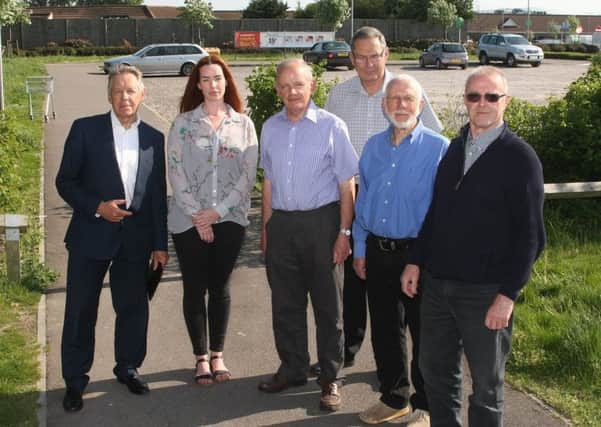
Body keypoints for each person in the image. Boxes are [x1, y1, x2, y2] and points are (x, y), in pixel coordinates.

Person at [401, 66, 545, 427]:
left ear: (505, 102)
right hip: (438, 287)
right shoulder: (454, 148)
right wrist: (416, 262)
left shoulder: (520, 158)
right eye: (474, 96)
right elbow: (436, 213)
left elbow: (531, 237)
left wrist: (508, 295)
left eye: (491, 96)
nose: (482, 103)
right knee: (434, 371)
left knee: (486, 385)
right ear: (465, 100)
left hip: (485, 292)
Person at [316, 26, 443, 376]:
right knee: (355, 279)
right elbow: (326, 148)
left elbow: (433, 141)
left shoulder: (405, 91)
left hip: (400, 203)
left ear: (386, 54)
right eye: (361, 57)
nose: (369, 63)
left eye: (375, 55)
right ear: (352, 58)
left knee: (400, 294)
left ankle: (399, 367)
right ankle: (350, 348)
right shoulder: (339, 96)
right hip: (353, 195)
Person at [56, 64, 168, 412]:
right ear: (109, 95)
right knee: (80, 311)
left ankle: (129, 367)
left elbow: (156, 196)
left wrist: (160, 244)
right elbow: (65, 181)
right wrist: (97, 207)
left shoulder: (154, 137)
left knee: (134, 309)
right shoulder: (85, 130)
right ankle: (75, 381)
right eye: (118, 90)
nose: (125, 97)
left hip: (135, 241)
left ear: (142, 94)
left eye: (131, 90)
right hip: (90, 236)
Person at [258, 58, 358, 412]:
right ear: (277, 90)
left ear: (312, 86)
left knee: (329, 307)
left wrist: (344, 232)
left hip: (322, 224)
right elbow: (268, 183)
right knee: (285, 303)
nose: (291, 93)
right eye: (284, 87)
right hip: (282, 224)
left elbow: (347, 186)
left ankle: (330, 377)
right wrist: (266, 229)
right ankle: (293, 367)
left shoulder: (333, 126)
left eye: (297, 85)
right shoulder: (270, 128)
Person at [353, 74, 448, 426]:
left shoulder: (439, 148)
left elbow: (444, 212)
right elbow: (364, 200)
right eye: (393, 99)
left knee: (425, 332)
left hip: (419, 255)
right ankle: (395, 397)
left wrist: (421, 260)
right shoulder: (373, 147)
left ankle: (426, 404)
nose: (401, 105)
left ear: (421, 105)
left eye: (408, 99)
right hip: (377, 251)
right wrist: (359, 247)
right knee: (385, 329)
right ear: (383, 105)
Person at [167, 55, 258, 386]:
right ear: (197, 85)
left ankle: (218, 353)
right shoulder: (182, 124)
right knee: (194, 286)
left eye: (217, 78)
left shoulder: (243, 124)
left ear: (227, 81)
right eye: (204, 79)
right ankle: (200, 357)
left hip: (230, 218)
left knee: (220, 286)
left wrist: (218, 213)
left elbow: (248, 175)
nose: (212, 85)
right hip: (187, 219)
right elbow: (175, 170)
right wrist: (198, 216)